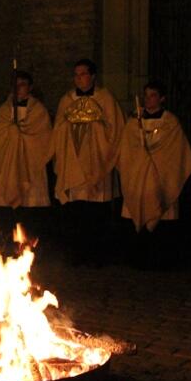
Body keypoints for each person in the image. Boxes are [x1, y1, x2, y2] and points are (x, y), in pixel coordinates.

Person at [53, 59, 124, 262]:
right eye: (76, 75)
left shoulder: (106, 98)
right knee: (76, 211)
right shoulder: (67, 100)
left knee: (96, 212)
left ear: (93, 76)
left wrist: (95, 124)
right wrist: (70, 125)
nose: (79, 79)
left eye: (83, 74)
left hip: (97, 162)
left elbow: (116, 128)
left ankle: (97, 255)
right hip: (73, 162)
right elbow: (58, 128)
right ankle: (76, 254)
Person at [117, 81, 191, 233]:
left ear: (162, 98)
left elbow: (176, 152)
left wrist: (155, 158)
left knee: (162, 227)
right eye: (145, 95)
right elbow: (126, 149)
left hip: (162, 177)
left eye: (153, 96)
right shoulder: (133, 122)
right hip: (138, 177)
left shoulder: (171, 123)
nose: (147, 99)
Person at [0, 72, 54, 243]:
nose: (18, 88)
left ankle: (30, 247)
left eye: (22, 84)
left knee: (30, 216)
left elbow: (44, 138)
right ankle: (7, 247)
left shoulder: (39, 111)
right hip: (8, 168)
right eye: (15, 85)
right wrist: (11, 133)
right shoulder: (3, 111)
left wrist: (20, 135)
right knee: (7, 215)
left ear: (30, 87)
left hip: (31, 167)